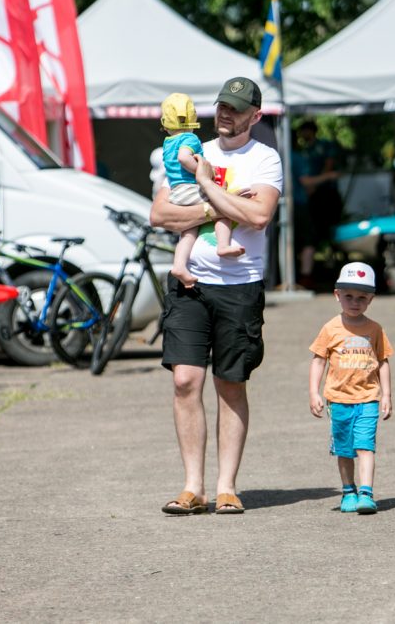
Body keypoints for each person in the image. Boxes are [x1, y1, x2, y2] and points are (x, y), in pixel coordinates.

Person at [150, 77, 283, 515]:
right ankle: (193, 487)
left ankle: (226, 486)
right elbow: (161, 213)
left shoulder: (265, 159)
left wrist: (207, 188)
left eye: (237, 108)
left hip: (240, 285)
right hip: (191, 283)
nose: (226, 114)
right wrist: (216, 204)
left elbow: (259, 215)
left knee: (230, 384)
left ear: (255, 116)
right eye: (222, 106)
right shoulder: (192, 151)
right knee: (185, 380)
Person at [309, 262, 393, 514]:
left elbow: (383, 361)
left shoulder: (375, 329)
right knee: (344, 449)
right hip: (338, 399)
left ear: (370, 299)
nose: (354, 302)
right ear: (337, 295)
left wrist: (386, 394)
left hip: (368, 397)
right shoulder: (330, 328)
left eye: (361, 297)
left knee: (365, 445)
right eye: (348, 296)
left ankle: (366, 493)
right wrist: (314, 391)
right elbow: (318, 360)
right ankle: (348, 491)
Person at [159, 92, 243, 289]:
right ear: (193, 116)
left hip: (176, 192)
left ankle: (179, 266)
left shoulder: (168, 141)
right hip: (190, 188)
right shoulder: (190, 138)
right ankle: (223, 245)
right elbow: (183, 158)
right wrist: (205, 171)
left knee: (188, 231)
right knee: (222, 206)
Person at [293, 120, 342, 289]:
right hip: (308, 193)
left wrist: (319, 182)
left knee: (322, 229)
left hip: (322, 192)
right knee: (309, 234)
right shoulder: (303, 151)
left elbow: (328, 165)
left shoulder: (323, 146)